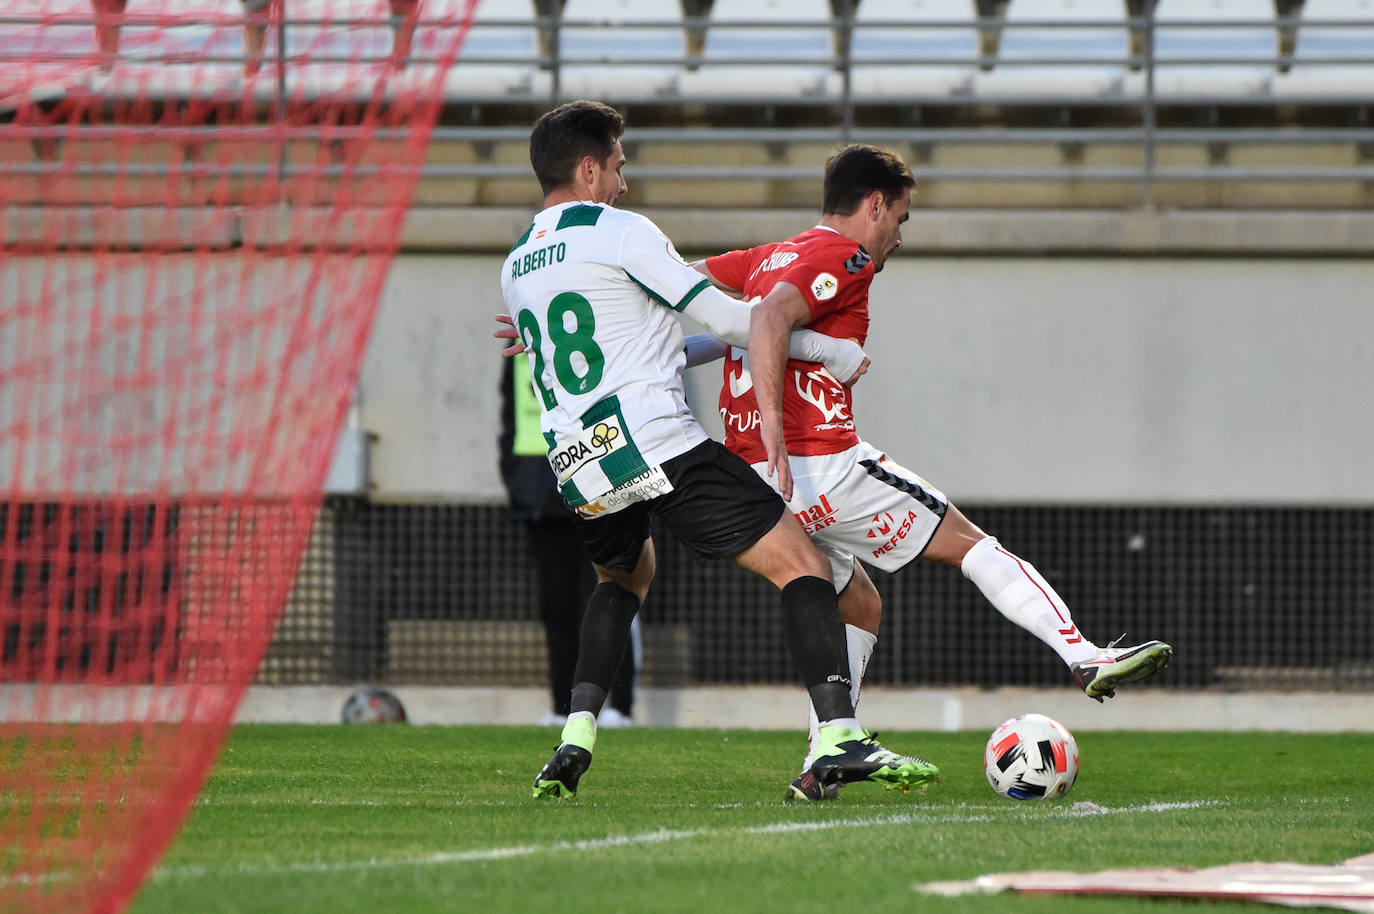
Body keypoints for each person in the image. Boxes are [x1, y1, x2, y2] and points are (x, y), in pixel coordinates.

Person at [691, 143, 1173, 801]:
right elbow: (773, 318)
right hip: (823, 466)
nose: (898, 235)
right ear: (875, 204)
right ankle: (1084, 653)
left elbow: (676, 287)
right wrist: (777, 423)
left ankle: (824, 762)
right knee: (975, 546)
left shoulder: (764, 255)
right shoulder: (846, 256)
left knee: (858, 599)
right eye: (901, 218)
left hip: (763, 489)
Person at [502, 99, 939, 800]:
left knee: (623, 579)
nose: (622, 180)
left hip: (579, 461)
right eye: (616, 165)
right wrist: (826, 345)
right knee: (801, 561)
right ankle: (839, 736)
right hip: (655, 441)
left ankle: (574, 735)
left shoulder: (519, 262)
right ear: (587, 170)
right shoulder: (620, 232)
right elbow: (732, 318)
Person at [499, 353, 637, 729]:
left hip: (599, 482)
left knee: (615, 591)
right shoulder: (522, 344)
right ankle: (562, 705)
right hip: (540, 493)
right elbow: (512, 416)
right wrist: (516, 480)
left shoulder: (591, 327)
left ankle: (617, 707)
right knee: (556, 606)